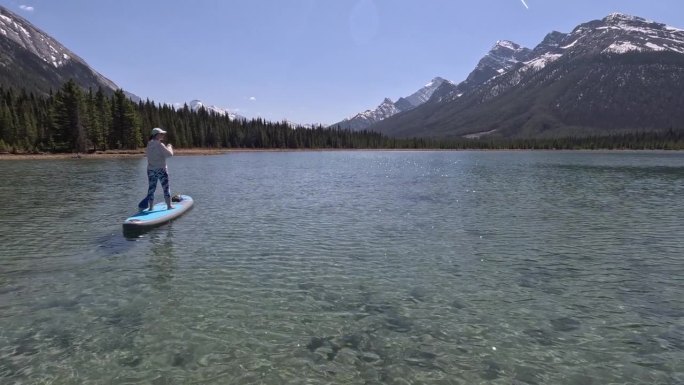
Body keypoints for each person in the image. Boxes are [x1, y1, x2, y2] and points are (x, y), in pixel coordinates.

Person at [145, 127, 174, 210]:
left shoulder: (148, 144)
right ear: (156, 135)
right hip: (161, 169)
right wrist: (169, 146)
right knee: (166, 187)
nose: (163, 135)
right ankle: (169, 206)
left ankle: (150, 207)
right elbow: (170, 154)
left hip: (150, 170)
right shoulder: (159, 144)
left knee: (151, 188)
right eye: (161, 134)